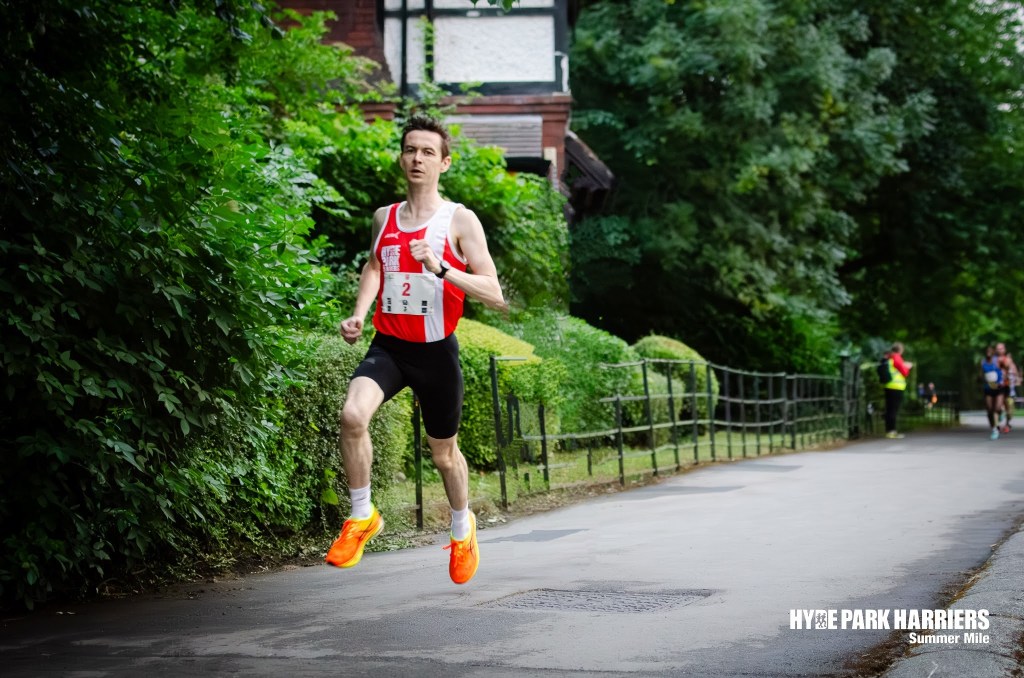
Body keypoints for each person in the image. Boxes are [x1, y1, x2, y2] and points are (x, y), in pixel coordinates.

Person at [324, 114, 507, 584]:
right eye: (410, 150)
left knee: (444, 456)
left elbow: (494, 293)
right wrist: (359, 312)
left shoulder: (459, 220)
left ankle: (462, 529)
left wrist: (442, 267)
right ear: (401, 158)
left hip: (436, 353)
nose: (417, 159)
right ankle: (362, 516)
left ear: (444, 163)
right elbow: (375, 266)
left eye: (428, 152)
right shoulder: (384, 217)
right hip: (389, 346)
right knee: (352, 416)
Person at [883, 342, 913, 439]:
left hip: (889, 386)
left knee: (889, 409)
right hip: (896, 387)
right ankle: (891, 431)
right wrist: (907, 367)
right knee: (893, 410)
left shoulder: (889, 357)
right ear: (900, 350)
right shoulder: (896, 357)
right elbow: (904, 372)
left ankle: (889, 431)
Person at [981, 345, 1004, 440]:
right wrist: (981, 379)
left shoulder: (997, 360)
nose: (988, 352)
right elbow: (981, 374)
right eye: (987, 351)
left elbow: (1003, 370)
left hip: (998, 387)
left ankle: (1000, 413)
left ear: (993, 352)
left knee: (997, 408)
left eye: (990, 351)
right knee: (990, 409)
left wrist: (1001, 381)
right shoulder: (983, 362)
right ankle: (994, 428)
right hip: (988, 388)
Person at [995, 342, 1018, 434]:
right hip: (999, 388)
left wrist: (1015, 378)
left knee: (1010, 410)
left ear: (1004, 349)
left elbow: (1015, 374)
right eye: (998, 348)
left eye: (1001, 348)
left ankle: (1007, 424)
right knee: (998, 407)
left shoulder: (1009, 361)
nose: (999, 350)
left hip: (1009, 389)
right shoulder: (994, 361)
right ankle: (998, 423)